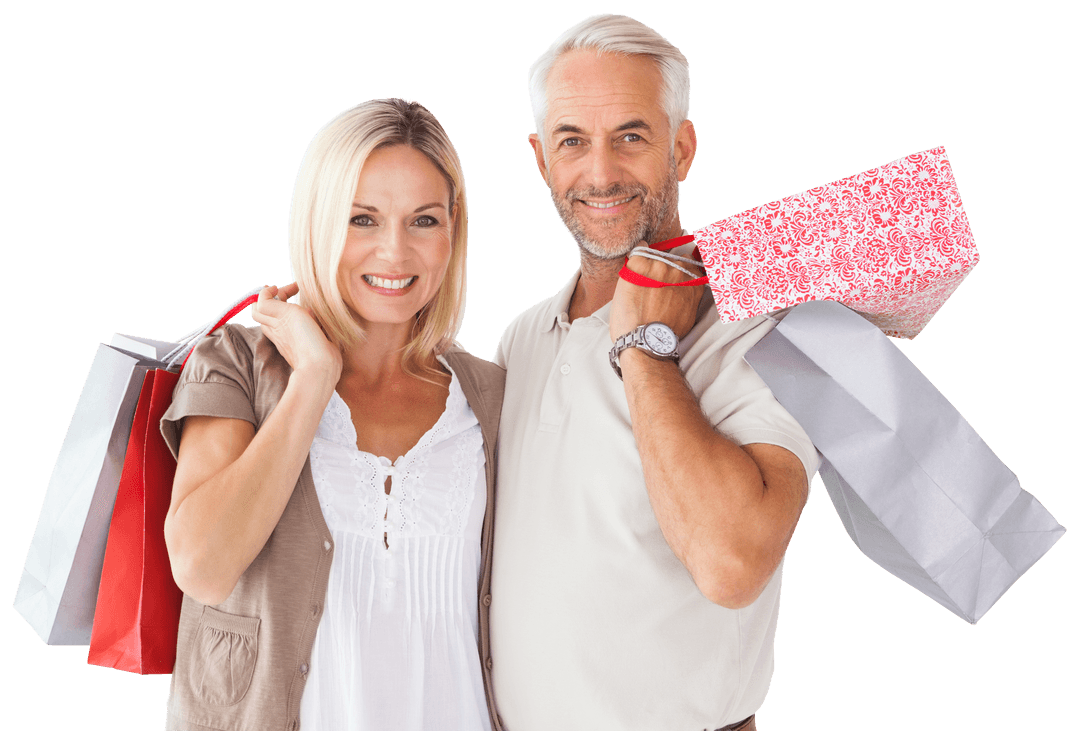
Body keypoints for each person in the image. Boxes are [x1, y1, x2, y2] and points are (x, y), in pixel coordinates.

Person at [489, 15, 818, 731]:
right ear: (542, 159)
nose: (600, 173)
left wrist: (643, 344)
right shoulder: (521, 339)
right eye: (573, 142)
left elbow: (732, 564)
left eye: (631, 137)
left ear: (683, 147)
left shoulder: (764, 329)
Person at [160, 98, 504, 731]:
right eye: (362, 219)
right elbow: (203, 567)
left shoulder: (491, 396)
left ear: (453, 231)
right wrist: (313, 380)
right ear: (317, 223)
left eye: (423, 220)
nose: (395, 252)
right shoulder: (236, 363)